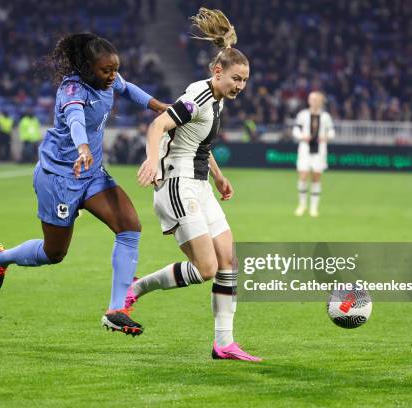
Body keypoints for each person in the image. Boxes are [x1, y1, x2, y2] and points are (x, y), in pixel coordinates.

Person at [0, 33, 169, 336]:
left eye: (114, 69)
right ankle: (1, 257)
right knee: (54, 253)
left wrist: (156, 105)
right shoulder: (72, 88)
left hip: (92, 174)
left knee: (129, 225)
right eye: (105, 71)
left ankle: (116, 310)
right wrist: (82, 147)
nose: (112, 76)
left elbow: (129, 88)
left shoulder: (110, 79)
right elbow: (74, 119)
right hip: (58, 177)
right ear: (87, 68)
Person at [130, 8, 261, 361]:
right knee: (207, 269)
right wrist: (153, 160)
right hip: (176, 183)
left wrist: (218, 176)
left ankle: (224, 343)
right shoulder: (198, 98)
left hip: (199, 184)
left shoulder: (216, 100)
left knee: (229, 261)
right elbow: (158, 126)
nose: (240, 86)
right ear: (218, 72)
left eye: (245, 81)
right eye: (236, 78)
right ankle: (136, 287)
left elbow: (199, 143)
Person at [292, 91, 335, 217]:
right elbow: (295, 129)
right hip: (305, 149)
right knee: (303, 176)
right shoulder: (303, 115)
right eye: (311, 99)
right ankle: (302, 205)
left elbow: (332, 132)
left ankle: (314, 208)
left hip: (319, 151)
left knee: (316, 178)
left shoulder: (326, 116)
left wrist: (326, 137)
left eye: (316, 99)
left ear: (320, 101)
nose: (313, 101)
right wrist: (302, 136)